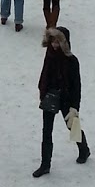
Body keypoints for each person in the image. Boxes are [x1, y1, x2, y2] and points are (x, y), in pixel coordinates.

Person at [32, 26, 89, 176]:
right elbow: (44, 75)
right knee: (46, 131)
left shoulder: (72, 61)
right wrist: (42, 92)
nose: (55, 45)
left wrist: (74, 107)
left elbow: (77, 86)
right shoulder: (49, 54)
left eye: (58, 41)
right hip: (50, 96)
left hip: (66, 98)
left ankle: (84, 149)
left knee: (72, 126)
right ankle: (45, 164)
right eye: (53, 41)